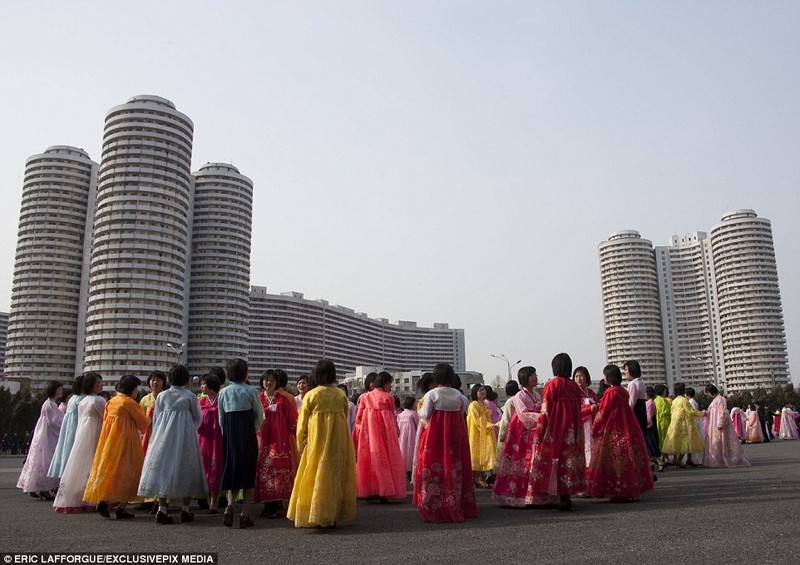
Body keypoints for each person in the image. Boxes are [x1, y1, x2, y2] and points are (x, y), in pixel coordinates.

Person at [288, 359, 356, 529]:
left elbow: (302, 422)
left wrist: (301, 443)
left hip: (316, 440)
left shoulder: (311, 395)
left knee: (314, 474)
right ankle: (332, 514)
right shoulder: (340, 394)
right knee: (333, 475)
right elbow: (345, 415)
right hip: (338, 439)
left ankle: (316, 513)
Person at [138, 364, 207, 525]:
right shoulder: (190, 396)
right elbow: (198, 418)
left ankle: (162, 509)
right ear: (186, 379)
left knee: (162, 467)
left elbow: (156, 418)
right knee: (186, 467)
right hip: (184, 437)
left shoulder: (162, 396)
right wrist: (188, 428)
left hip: (163, 437)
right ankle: (185, 510)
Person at [413, 363, 476, 523]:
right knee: (454, 467)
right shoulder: (460, 396)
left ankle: (433, 505)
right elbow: (463, 412)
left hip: (434, 437)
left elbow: (425, 415)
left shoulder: (432, 395)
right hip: (455, 436)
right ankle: (455, 503)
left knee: (433, 467)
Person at [83, 375, 150, 519]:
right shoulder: (129, 403)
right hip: (127, 442)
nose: (137, 391)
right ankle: (122, 507)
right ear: (131, 388)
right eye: (136, 388)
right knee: (128, 472)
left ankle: (103, 500)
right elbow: (143, 424)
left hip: (109, 442)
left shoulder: (111, 402)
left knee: (110, 471)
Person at [585, 365, 654, 501]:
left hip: (613, 426)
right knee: (625, 458)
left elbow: (603, 412)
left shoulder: (610, 392)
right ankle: (627, 489)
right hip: (626, 425)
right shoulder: (622, 391)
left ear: (608, 377)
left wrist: (596, 428)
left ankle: (617, 491)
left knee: (612, 457)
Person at [530, 353, 585, 511]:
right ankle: (566, 495)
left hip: (556, 428)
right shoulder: (574, 386)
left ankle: (558, 495)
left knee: (556, 459)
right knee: (569, 460)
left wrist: (540, 432)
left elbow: (546, 409)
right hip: (573, 428)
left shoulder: (552, 384)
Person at [218, 358, 264, 529]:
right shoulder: (251, 391)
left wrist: (227, 434)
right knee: (248, 474)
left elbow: (221, 419)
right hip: (247, 433)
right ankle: (244, 515)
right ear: (245, 373)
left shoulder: (223, 392)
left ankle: (229, 507)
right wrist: (255, 428)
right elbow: (259, 415)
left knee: (232, 470)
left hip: (230, 434)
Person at [53, 373, 107, 512]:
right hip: (95, 433)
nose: (101, 385)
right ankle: (94, 496)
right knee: (94, 463)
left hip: (82, 434)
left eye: (101, 383)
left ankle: (76, 496)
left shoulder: (82, 401)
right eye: (98, 383)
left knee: (80, 463)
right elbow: (105, 418)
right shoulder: (99, 400)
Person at [492, 366, 542, 507]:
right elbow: (524, 415)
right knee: (519, 462)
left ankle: (533, 494)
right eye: (532, 375)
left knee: (534, 461)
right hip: (521, 433)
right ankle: (515, 494)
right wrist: (542, 416)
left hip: (535, 431)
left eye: (535, 374)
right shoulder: (519, 396)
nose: (535, 377)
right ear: (525, 378)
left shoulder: (537, 395)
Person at [353, 371, 407, 502]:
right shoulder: (388, 397)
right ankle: (385, 489)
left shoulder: (364, 397)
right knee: (386, 459)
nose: (390, 386)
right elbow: (393, 416)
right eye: (390, 383)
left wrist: (358, 432)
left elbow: (359, 418)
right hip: (385, 433)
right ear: (385, 383)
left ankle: (368, 490)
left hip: (369, 432)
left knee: (369, 459)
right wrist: (396, 431)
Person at [254, 369, 299, 519]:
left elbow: (292, 419)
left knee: (278, 469)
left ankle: (278, 503)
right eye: (266, 380)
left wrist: (293, 434)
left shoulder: (284, 399)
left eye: (272, 380)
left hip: (280, 440)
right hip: (264, 439)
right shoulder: (258, 398)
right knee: (265, 470)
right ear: (262, 382)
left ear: (276, 383)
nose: (269, 383)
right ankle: (267, 504)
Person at [17, 381, 64, 500]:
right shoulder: (50, 404)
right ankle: (43, 487)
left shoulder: (51, 403)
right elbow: (53, 422)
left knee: (42, 460)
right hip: (48, 436)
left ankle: (40, 487)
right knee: (46, 459)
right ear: (54, 390)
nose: (61, 391)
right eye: (59, 389)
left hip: (46, 434)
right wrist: (65, 423)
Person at [47, 375, 85, 480]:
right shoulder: (81, 399)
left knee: (66, 452)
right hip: (76, 428)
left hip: (68, 429)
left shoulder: (73, 398)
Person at [702, 385, 750, 467]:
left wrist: (721, 423)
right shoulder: (715, 400)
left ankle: (722, 460)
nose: (708, 395)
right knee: (718, 442)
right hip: (714, 425)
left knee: (721, 442)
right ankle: (717, 459)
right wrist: (706, 413)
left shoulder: (721, 399)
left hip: (718, 424)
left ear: (711, 392)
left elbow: (723, 412)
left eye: (708, 393)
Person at [197, 372, 224, 513]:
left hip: (218, 438)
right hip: (205, 438)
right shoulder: (201, 401)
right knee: (205, 467)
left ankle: (215, 499)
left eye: (204, 383)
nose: (201, 386)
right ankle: (208, 498)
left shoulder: (222, 399)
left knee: (216, 468)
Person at [661, 382, 704, 467]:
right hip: (684, 424)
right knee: (686, 442)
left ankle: (688, 459)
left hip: (675, 423)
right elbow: (690, 411)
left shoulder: (674, 400)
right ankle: (679, 460)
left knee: (679, 442)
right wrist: (702, 413)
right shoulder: (684, 400)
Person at [467, 384, 497, 488]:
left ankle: (482, 478)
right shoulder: (473, 405)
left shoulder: (484, 404)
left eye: (483, 390)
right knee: (478, 455)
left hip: (485, 432)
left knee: (484, 455)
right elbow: (477, 421)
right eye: (480, 390)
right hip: (476, 433)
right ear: (475, 392)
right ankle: (478, 478)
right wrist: (490, 425)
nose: (483, 392)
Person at [573, 366, 598, 468]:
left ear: (586, 377)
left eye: (581, 376)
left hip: (592, 423)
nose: (579, 379)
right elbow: (575, 408)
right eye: (576, 376)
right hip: (581, 424)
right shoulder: (574, 392)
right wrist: (589, 408)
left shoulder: (591, 392)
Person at [139, 370, 167, 455]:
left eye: (158, 380)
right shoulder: (145, 399)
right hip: (148, 434)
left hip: (164, 433)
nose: (155, 382)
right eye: (153, 380)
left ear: (163, 382)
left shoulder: (167, 398)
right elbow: (140, 418)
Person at [397, 396, 419, 481]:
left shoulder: (400, 415)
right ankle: (410, 472)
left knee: (403, 452)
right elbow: (418, 425)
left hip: (402, 437)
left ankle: (404, 471)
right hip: (412, 437)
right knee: (411, 452)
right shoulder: (413, 414)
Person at [623, 360, 647, 437]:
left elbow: (631, 403)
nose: (625, 372)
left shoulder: (632, 384)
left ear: (632, 370)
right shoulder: (641, 383)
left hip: (636, 413)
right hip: (642, 412)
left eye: (626, 370)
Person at [653, 384, 672, 469]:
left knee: (660, 441)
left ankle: (663, 458)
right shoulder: (663, 400)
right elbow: (667, 412)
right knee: (664, 440)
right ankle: (663, 459)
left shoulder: (655, 400)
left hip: (656, 422)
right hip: (664, 422)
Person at [644, 386, 662, 468]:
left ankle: (660, 462)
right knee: (650, 445)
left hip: (650, 426)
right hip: (651, 426)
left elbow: (649, 416)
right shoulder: (650, 402)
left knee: (652, 445)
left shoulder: (650, 403)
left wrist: (647, 425)